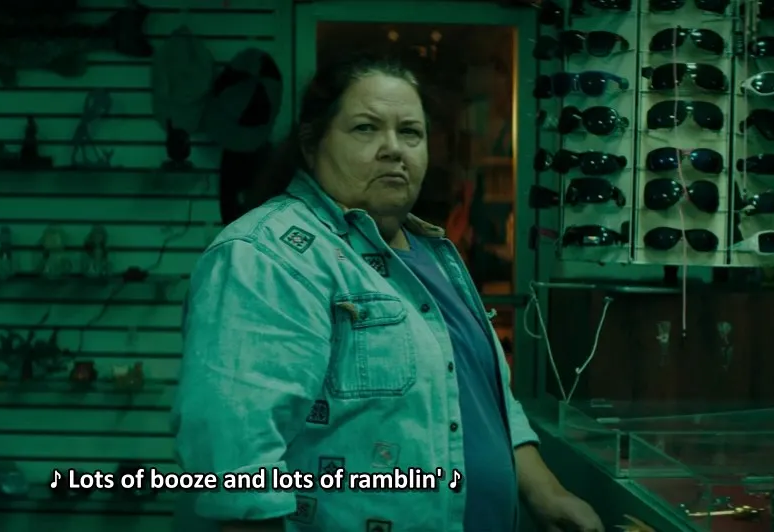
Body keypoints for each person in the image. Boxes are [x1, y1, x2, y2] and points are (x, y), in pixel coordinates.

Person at [171, 54, 604, 532]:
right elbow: (233, 454)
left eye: (410, 132)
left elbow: (483, 398)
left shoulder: (434, 253)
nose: (394, 149)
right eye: (366, 128)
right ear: (312, 143)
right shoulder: (267, 256)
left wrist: (546, 491)